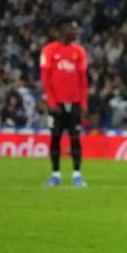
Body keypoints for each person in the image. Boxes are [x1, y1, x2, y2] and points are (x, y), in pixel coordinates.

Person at [39, 18, 88, 187]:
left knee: (75, 138)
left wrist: (83, 104)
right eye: (72, 29)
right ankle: (55, 175)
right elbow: (45, 80)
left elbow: (83, 81)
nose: (75, 32)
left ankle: (77, 175)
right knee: (55, 138)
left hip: (74, 103)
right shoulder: (48, 51)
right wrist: (52, 102)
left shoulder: (79, 52)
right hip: (56, 104)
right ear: (62, 29)